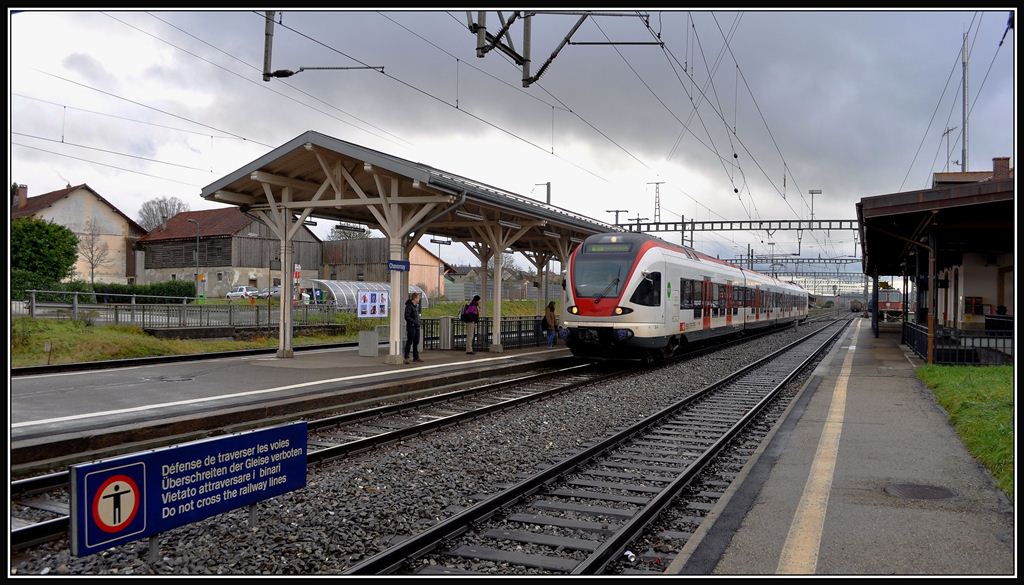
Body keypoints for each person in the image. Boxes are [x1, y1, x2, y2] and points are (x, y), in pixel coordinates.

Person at [403, 292, 423, 364]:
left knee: (416, 342)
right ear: (414, 298)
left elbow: (417, 316)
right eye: (418, 298)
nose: (419, 299)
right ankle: (406, 357)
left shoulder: (416, 307)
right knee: (409, 341)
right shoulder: (409, 306)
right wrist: (414, 322)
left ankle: (416, 357)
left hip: (416, 327)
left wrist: (418, 322)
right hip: (411, 327)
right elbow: (406, 316)